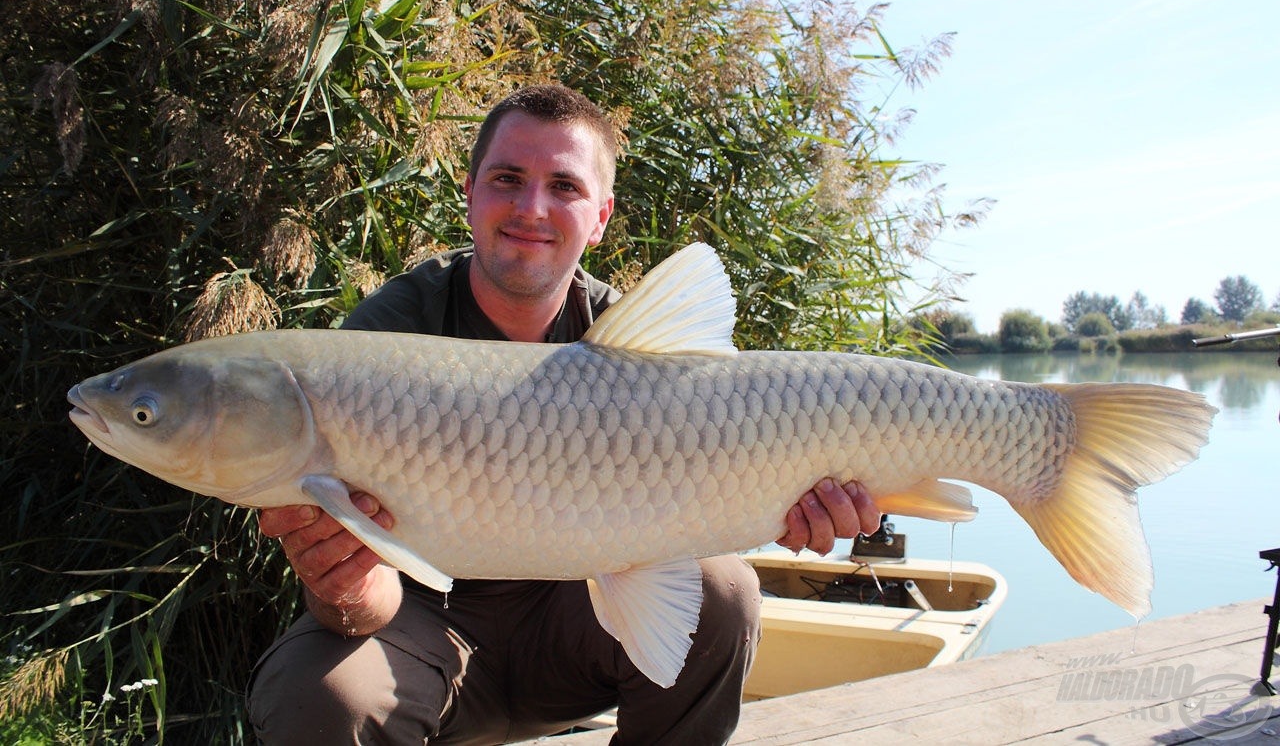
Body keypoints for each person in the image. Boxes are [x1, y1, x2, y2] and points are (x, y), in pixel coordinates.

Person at [246, 84, 882, 745]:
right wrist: (341, 588)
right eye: (508, 178)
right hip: (424, 630)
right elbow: (363, 601)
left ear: (601, 216)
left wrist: (798, 504)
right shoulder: (387, 335)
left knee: (724, 589)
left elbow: (715, 500)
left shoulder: (629, 337)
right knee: (317, 697)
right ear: (470, 192)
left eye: (565, 187)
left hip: (576, 635)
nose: (531, 207)